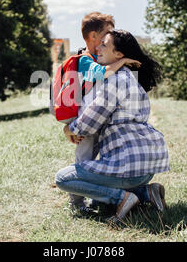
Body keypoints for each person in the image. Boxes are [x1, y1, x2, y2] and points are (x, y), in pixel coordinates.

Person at [55, 29, 170, 223]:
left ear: (118, 55)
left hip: (127, 165)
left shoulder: (115, 81)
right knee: (99, 202)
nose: (97, 48)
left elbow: (91, 121)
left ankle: (122, 198)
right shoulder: (131, 79)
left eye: (104, 45)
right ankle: (146, 192)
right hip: (146, 167)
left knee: (63, 179)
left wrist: (70, 129)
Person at [67, 13, 141, 213]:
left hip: (101, 117)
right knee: (84, 160)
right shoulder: (84, 59)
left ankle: (100, 198)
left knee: (102, 161)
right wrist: (123, 60)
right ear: (93, 36)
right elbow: (103, 73)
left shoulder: (100, 57)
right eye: (107, 32)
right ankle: (76, 203)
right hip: (86, 120)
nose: (111, 36)